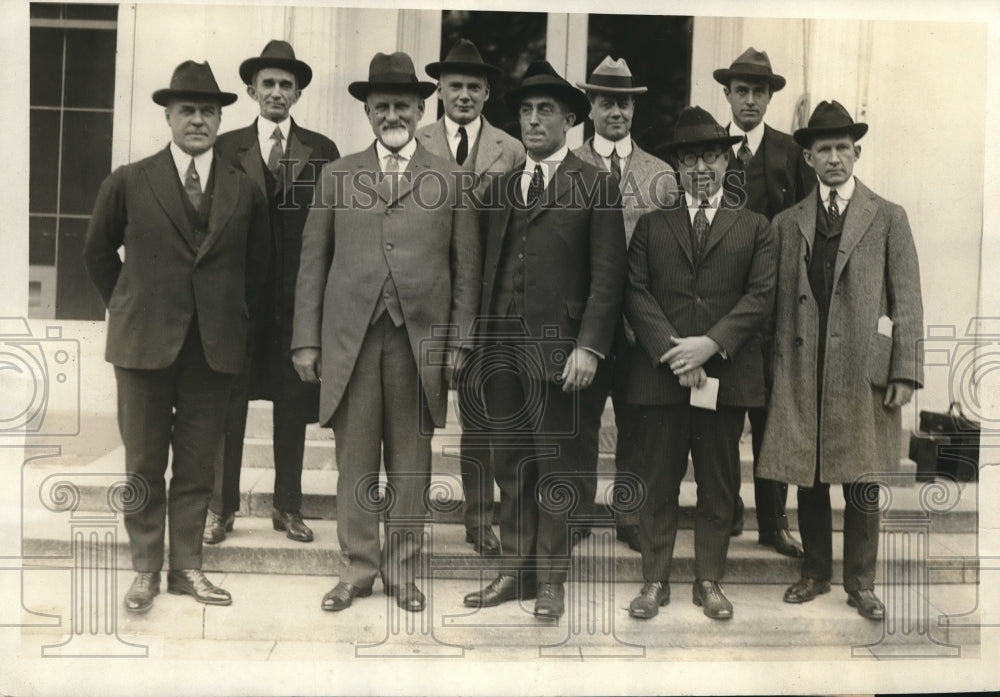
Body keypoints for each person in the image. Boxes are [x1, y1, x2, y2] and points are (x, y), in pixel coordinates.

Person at [291, 52, 481, 614]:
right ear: (367, 113)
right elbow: (312, 263)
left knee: (410, 462)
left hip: (418, 342)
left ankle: (401, 571)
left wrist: (460, 343)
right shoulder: (338, 173)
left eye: (402, 104)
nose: (392, 114)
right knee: (355, 457)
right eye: (381, 106)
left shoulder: (450, 178)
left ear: (422, 109)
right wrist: (306, 338)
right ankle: (357, 569)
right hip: (351, 336)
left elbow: (466, 268)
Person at [83, 60, 269, 613]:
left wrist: (228, 319)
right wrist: (129, 303)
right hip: (143, 349)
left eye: (208, 111)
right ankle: (145, 570)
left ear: (219, 119)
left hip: (212, 351)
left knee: (195, 465)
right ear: (168, 115)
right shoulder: (129, 180)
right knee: (142, 463)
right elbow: (96, 253)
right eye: (187, 110)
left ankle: (187, 567)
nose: (197, 120)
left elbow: (257, 272)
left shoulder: (244, 190)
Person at [461, 61, 627, 621]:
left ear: (571, 119)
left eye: (546, 111)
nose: (533, 121)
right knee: (508, 461)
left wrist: (589, 347)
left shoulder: (597, 184)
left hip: (562, 355)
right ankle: (514, 571)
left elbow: (609, 277)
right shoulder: (502, 186)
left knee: (557, 467)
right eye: (526, 111)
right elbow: (486, 268)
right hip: (503, 350)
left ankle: (550, 579)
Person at [758, 100, 923, 620]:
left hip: (860, 371)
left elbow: (908, 301)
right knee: (808, 473)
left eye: (842, 149)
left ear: (857, 153)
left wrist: (905, 372)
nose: (834, 158)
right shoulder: (788, 223)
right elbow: (775, 301)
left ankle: (862, 581)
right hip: (803, 365)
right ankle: (815, 572)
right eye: (823, 149)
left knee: (862, 476)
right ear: (807, 158)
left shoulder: (888, 216)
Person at [624, 106, 775, 621]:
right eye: (690, 159)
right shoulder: (651, 226)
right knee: (658, 480)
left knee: (719, 484)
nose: (701, 168)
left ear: (727, 162)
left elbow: (759, 298)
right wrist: (676, 352)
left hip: (724, 378)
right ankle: (653, 581)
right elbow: (636, 293)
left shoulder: (755, 228)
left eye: (711, 156)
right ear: (677, 168)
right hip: (662, 379)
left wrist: (708, 346)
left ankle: (708, 579)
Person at [208, 40, 340, 545]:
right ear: (251, 91)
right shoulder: (227, 148)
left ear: (299, 92)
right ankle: (221, 509)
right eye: (269, 84)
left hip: (296, 304)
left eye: (287, 85)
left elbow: (328, 231)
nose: (277, 92)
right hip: (239, 306)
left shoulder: (322, 150)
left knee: (292, 404)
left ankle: (288, 507)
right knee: (230, 406)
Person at [417, 38, 524, 556]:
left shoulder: (512, 149)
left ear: (487, 94)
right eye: (454, 85)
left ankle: (481, 518)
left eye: (473, 87)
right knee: (414, 411)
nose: (463, 95)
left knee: (483, 416)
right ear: (439, 89)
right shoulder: (416, 141)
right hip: (432, 295)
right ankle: (405, 518)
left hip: (492, 297)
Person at [573, 56, 678, 552]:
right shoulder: (569, 168)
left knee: (637, 423)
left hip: (639, 324)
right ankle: (574, 513)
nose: (616, 111)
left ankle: (630, 514)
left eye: (624, 103)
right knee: (581, 421)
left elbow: (672, 252)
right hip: (585, 321)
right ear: (590, 108)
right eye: (606, 101)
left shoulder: (660, 174)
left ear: (634, 110)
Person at [714, 47, 813, 554]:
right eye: (741, 91)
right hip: (722, 315)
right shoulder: (711, 151)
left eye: (759, 92)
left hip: (775, 316)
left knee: (773, 421)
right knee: (723, 422)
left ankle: (774, 524)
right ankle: (727, 513)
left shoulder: (791, 154)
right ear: (727, 95)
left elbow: (808, 227)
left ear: (770, 97)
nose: (750, 101)